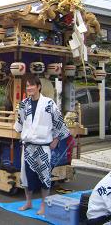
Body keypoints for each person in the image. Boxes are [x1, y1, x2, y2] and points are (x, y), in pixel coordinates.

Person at [14, 75, 70, 215]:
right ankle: (28, 202)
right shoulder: (23, 104)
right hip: (28, 146)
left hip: (43, 146)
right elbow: (20, 123)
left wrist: (56, 139)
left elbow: (59, 122)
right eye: (27, 86)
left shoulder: (49, 103)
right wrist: (18, 132)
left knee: (44, 177)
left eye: (31, 85)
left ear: (38, 86)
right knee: (26, 176)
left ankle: (44, 205)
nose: (29, 88)